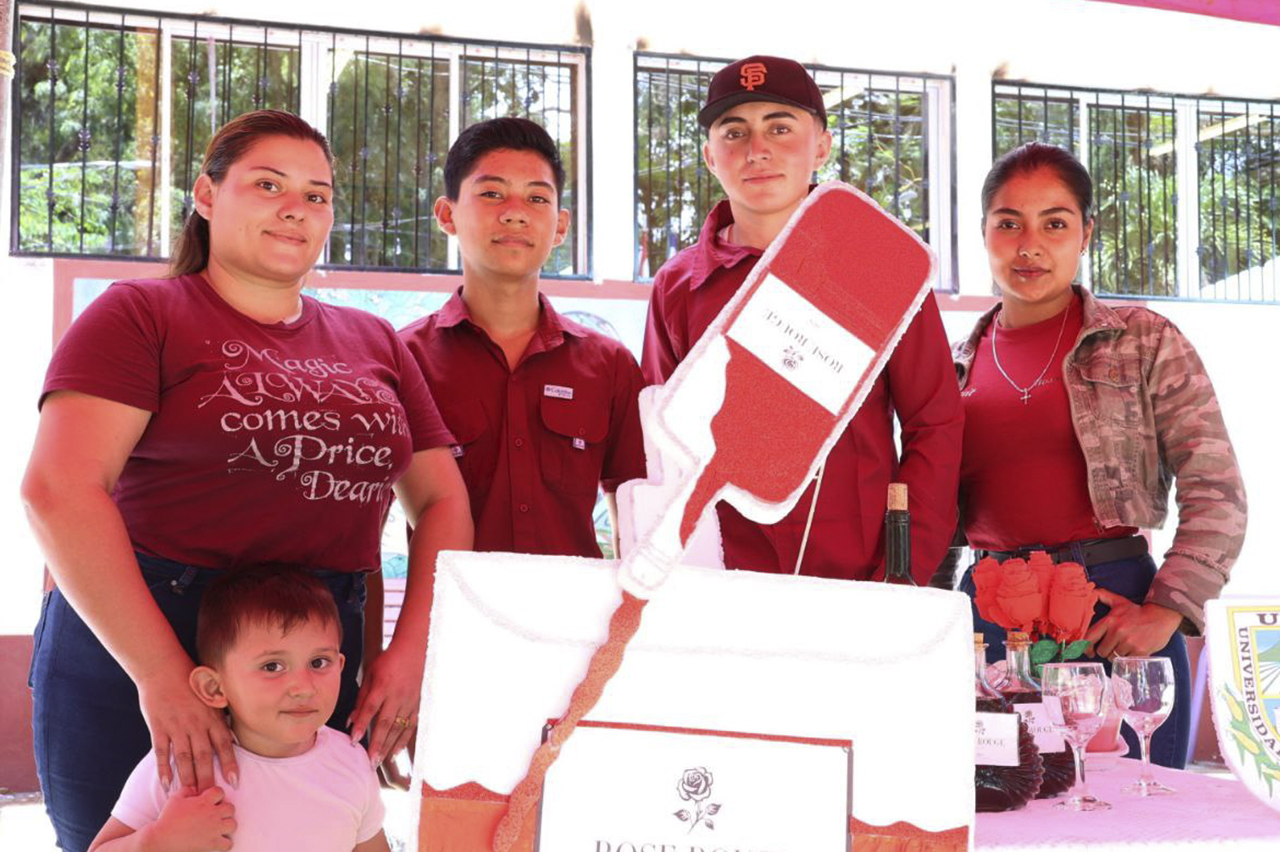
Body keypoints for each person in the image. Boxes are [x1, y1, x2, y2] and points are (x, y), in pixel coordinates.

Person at [22, 109, 473, 852]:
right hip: (146, 637)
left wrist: (408, 654)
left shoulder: (374, 340)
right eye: (267, 184)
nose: (295, 206)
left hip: (314, 653)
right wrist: (164, 678)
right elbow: (59, 490)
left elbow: (443, 499)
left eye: (318, 194)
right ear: (206, 194)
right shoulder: (141, 315)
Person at [950, 142, 1246, 768]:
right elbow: (921, 510)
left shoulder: (1142, 340)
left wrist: (1168, 607)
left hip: (1115, 613)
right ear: (984, 232)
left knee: (1136, 815)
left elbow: (1215, 485)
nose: (1029, 244)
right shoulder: (951, 367)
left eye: (1054, 223)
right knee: (1006, 809)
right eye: (1009, 223)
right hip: (991, 623)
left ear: (1085, 232)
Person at [641, 55, 963, 581]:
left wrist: (901, 572)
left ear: (823, 145)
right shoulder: (678, 287)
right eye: (734, 132)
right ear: (709, 156)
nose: (757, 149)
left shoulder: (880, 265)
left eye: (780, 127)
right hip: (721, 584)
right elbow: (661, 444)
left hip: (859, 582)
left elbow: (935, 423)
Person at [400, 117, 646, 558]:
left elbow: (633, 510)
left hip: (576, 623)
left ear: (560, 226)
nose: (515, 212)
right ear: (446, 214)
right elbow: (365, 520)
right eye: (491, 193)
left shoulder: (609, 365)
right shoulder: (402, 360)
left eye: (536, 198)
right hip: (448, 622)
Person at [89, 567, 389, 852]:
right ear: (214, 688)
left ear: (340, 667)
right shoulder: (182, 766)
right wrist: (159, 842)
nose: (303, 687)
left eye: (318, 662)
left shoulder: (352, 764)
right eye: (272, 666)